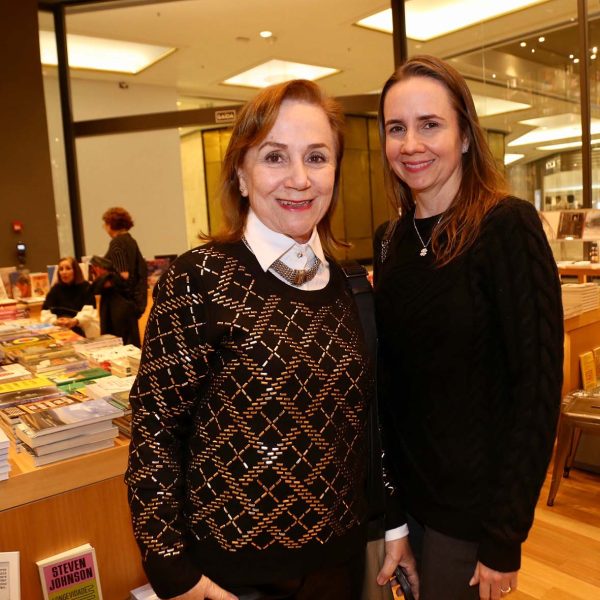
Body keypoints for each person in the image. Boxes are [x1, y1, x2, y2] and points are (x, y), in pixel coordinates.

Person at [126, 80, 377, 600]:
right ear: (241, 173)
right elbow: (154, 431)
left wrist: (388, 527)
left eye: (316, 157)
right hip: (232, 578)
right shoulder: (199, 278)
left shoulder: (350, 283)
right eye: (275, 157)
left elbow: (363, 425)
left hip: (342, 565)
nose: (300, 179)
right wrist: (178, 576)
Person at [372, 55, 564, 600]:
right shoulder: (391, 241)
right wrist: (393, 516)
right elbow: (392, 387)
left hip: (471, 514)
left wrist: (505, 535)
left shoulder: (507, 227)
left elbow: (537, 390)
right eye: (396, 128)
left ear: (462, 136)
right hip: (409, 504)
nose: (411, 144)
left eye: (430, 124)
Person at [93, 207, 147, 346]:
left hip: (118, 305)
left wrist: (104, 280)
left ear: (111, 224)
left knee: (116, 347)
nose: (104, 228)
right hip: (129, 304)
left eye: (105, 224)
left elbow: (124, 275)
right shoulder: (131, 241)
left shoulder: (117, 242)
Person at [41, 256, 98, 337]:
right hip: (60, 332)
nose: (64, 272)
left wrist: (75, 321)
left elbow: (89, 312)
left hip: (83, 330)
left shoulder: (85, 287)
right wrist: (55, 321)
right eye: (61, 269)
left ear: (75, 271)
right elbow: (45, 312)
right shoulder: (55, 289)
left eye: (68, 268)